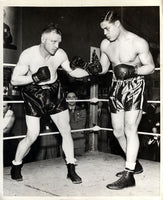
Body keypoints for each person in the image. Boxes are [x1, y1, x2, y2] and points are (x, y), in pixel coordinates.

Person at [10, 23, 100, 184]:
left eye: (58, 42)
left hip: (54, 92)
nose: (56, 45)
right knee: (32, 135)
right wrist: (35, 78)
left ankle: (71, 168)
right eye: (53, 41)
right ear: (43, 39)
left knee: (66, 130)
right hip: (34, 93)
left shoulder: (60, 54)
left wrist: (90, 71)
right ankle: (16, 165)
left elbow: (72, 72)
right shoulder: (28, 55)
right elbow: (14, 79)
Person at [96, 10, 155, 189]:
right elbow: (104, 68)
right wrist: (90, 67)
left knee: (130, 128)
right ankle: (134, 163)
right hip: (116, 86)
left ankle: (129, 173)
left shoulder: (138, 42)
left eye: (107, 29)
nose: (105, 33)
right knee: (118, 131)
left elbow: (151, 67)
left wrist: (134, 70)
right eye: (103, 30)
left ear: (117, 24)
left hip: (135, 85)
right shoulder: (105, 44)